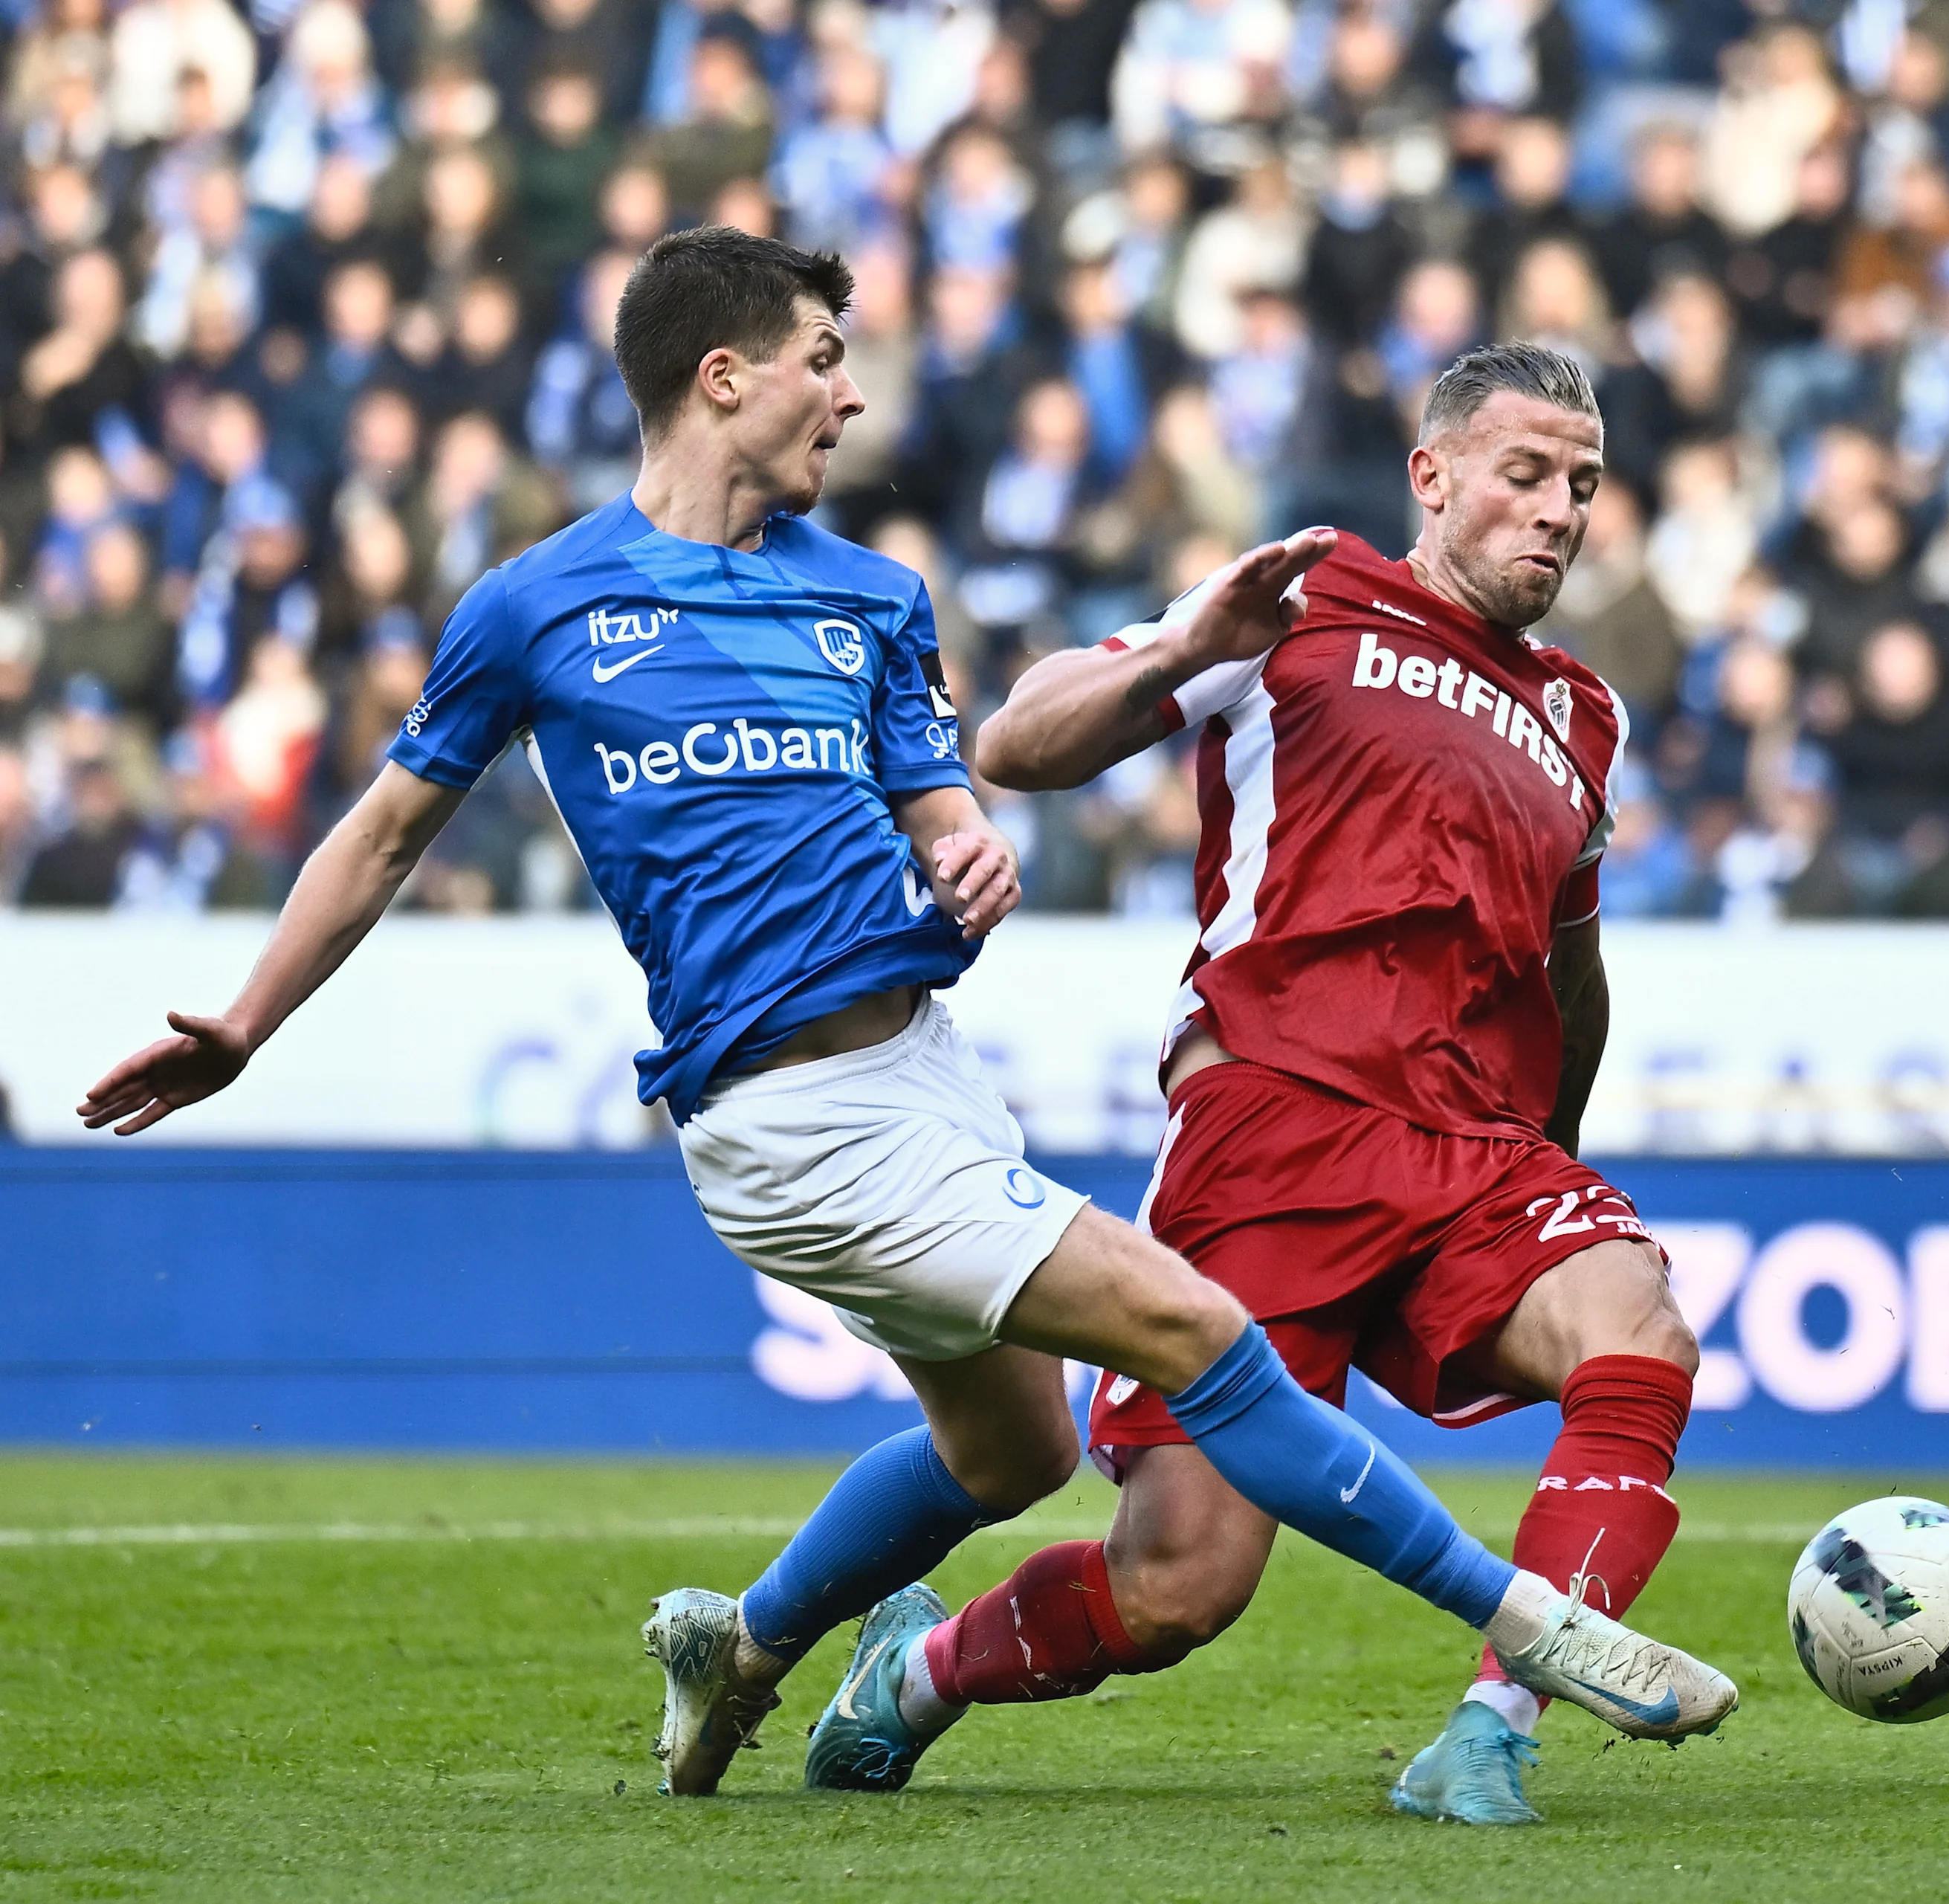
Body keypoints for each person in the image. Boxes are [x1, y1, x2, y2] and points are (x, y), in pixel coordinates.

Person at [71, 234, 1736, 1800]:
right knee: (1201, 1383)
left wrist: (963, 857)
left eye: (1585, 481)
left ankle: (757, 1635)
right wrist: (243, 1023)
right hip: (806, 1112)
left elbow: (952, 793)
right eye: (823, 358)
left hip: (937, 1078)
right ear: (722, 375)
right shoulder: (541, 602)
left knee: (1010, 1454)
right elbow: (380, 830)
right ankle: (1539, 1627)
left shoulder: (865, 591)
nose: (853, 392)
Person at [815, 342, 1706, 1830]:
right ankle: (921, 1666)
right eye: (1527, 474)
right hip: (1273, 1125)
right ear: (1434, 476)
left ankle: (1495, 1724)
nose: (1560, 511)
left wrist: (1555, 1165)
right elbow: (1017, 742)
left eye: (1585, 486)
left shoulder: (1582, 714)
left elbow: (1571, 967)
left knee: (1642, 1329)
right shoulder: (1306, 599)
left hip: (1476, 1148)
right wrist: (1176, 649)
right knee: (1177, 1586)